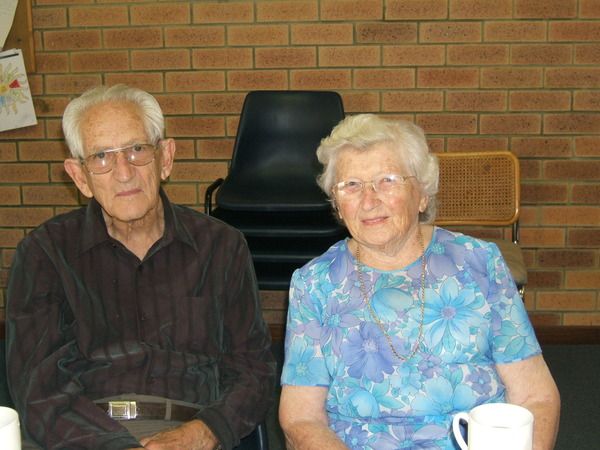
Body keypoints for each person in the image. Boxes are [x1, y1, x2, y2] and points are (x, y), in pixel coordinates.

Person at [6, 84, 276, 450]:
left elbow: (254, 370)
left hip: (190, 433)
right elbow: (39, 388)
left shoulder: (222, 247)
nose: (123, 172)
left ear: (165, 158)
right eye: (101, 156)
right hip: (83, 437)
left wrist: (204, 433)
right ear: (80, 177)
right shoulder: (44, 253)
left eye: (137, 149)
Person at [279, 114, 560, 450]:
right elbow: (301, 417)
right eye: (351, 185)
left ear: (422, 195)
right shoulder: (314, 284)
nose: (369, 200)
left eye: (387, 180)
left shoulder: (479, 263)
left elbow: (535, 396)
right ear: (338, 205)